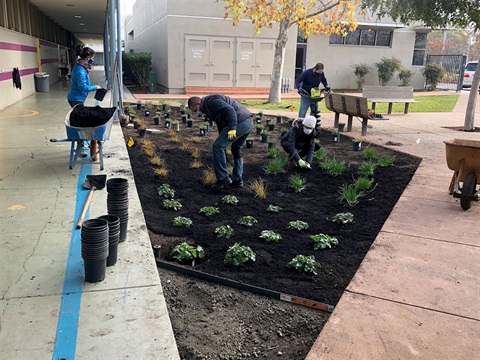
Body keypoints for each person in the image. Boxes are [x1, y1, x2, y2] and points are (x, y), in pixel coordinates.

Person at [188, 95, 254, 191]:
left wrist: (232, 128)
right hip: (248, 122)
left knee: (217, 146)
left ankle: (223, 179)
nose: (197, 113)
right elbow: (220, 123)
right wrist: (222, 139)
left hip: (240, 122)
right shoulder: (208, 107)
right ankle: (237, 180)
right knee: (235, 148)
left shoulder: (211, 102)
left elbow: (230, 110)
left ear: (198, 104)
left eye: (195, 110)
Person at [67, 44, 102, 159]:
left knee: (80, 120)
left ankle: (81, 143)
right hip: (75, 99)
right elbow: (83, 87)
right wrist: (95, 87)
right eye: (92, 57)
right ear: (88, 57)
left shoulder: (81, 67)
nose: (92, 60)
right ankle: (80, 146)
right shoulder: (80, 71)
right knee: (79, 123)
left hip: (78, 98)